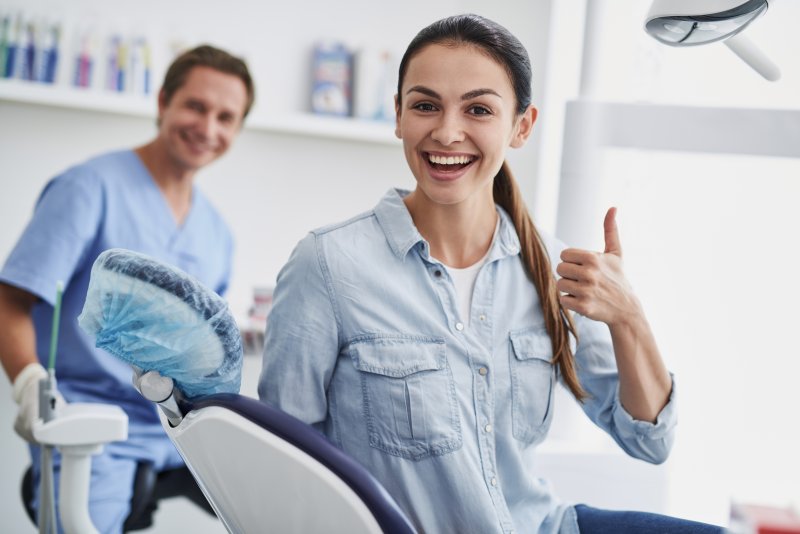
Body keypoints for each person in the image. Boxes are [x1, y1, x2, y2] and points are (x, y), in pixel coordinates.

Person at [258, 14, 722, 534]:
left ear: (521, 126)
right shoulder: (328, 265)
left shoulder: (552, 267)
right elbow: (284, 466)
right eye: (425, 105)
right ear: (398, 115)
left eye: (478, 109)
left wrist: (628, 318)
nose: (447, 131)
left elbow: (650, 442)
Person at [0, 44, 254, 533]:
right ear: (163, 102)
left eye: (226, 117)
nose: (208, 128)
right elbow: (10, 301)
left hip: (180, 429)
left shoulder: (217, 233)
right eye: (196, 106)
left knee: (284, 507)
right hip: (92, 423)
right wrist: (30, 384)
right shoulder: (88, 187)